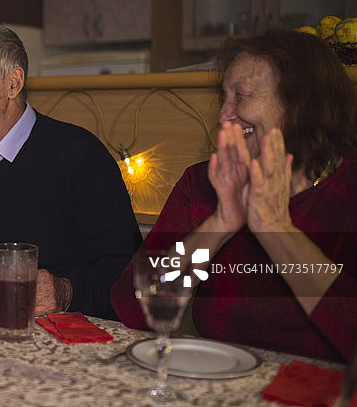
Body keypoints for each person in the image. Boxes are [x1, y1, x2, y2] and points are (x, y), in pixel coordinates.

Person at [110, 29, 357, 363]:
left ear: (301, 105)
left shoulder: (347, 191)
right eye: (224, 98)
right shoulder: (204, 184)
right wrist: (221, 223)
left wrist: (274, 228)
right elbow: (131, 308)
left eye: (241, 95)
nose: (224, 114)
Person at [0, 22, 142, 319]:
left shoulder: (80, 155)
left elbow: (129, 270)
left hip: (64, 338)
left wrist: (66, 291)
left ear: (13, 83)